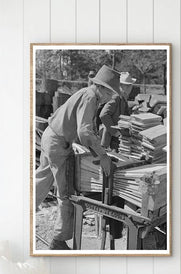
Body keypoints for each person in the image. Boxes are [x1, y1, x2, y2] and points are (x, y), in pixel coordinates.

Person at [35, 65, 120, 250]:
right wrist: (103, 156)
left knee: (42, 179)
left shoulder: (87, 93)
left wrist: (94, 144)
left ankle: (18, 210)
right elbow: (84, 132)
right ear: (102, 88)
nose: (110, 98)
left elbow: (83, 128)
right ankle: (58, 241)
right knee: (67, 194)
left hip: (51, 136)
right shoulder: (90, 96)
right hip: (57, 143)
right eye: (110, 93)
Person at [98, 72, 136, 149]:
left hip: (116, 137)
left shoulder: (122, 98)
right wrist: (115, 132)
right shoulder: (116, 97)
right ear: (125, 86)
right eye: (130, 85)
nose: (131, 88)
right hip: (111, 139)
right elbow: (104, 115)